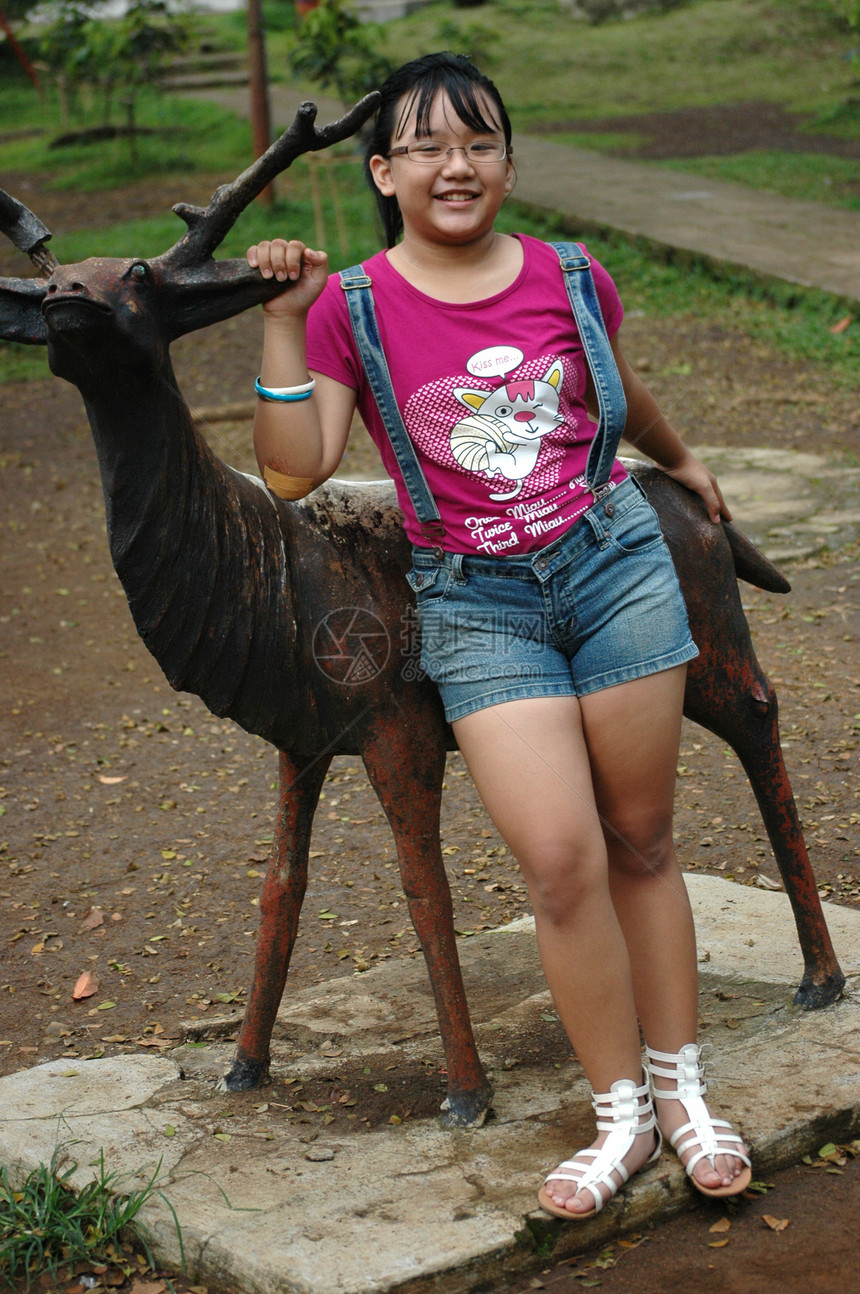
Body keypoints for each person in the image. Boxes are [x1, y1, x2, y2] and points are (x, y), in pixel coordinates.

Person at [245, 51, 752, 1218]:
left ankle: (683, 1097)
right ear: (384, 170)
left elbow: (614, 388)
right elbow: (290, 470)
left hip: (612, 567)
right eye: (424, 145)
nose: (454, 164)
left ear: (510, 163)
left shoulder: (574, 273)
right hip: (478, 605)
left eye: (477, 141)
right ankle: (618, 1117)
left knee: (640, 839)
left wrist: (675, 461)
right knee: (563, 860)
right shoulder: (349, 305)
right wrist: (279, 320)